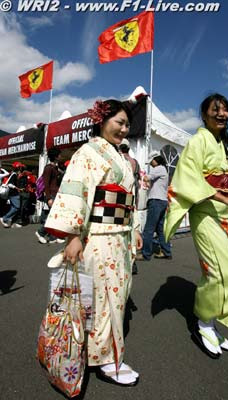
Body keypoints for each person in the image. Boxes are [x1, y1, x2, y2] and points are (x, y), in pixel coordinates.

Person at [45, 99, 143, 386]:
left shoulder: (119, 157)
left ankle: (90, 353)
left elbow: (129, 199)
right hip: (99, 237)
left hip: (120, 236)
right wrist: (74, 235)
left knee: (114, 296)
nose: (124, 129)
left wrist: (133, 227)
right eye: (119, 123)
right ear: (102, 120)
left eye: (127, 124)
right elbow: (77, 190)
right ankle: (109, 360)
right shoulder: (87, 153)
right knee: (103, 299)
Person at [164, 93, 228, 359]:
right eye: (215, 109)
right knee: (219, 272)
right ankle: (203, 324)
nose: (221, 113)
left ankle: (211, 323)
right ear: (203, 115)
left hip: (223, 215)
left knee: (217, 272)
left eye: (225, 109)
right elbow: (190, 181)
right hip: (205, 214)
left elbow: (223, 184)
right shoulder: (198, 141)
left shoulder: (222, 144)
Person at [136, 151, 172, 261]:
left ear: (155, 160)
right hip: (162, 201)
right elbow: (152, 183)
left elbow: (147, 178)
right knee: (160, 228)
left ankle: (145, 254)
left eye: (151, 162)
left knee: (149, 229)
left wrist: (142, 176)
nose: (151, 164)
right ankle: (166, 251)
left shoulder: (158, 168)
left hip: (155, 201)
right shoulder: (163, 170)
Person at [119, 138, 141, 274]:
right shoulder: (135, 162)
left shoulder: (120, 160)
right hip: (134, 196)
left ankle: (124, 260)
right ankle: (132, 261)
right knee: (132, 225)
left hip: (122, 196)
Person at [35, 147, 65, 244]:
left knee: (52, 216)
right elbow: (46, 184)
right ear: (56, 156)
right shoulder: (48, 168)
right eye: (59, 154)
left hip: (55, 194)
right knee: (53, 216)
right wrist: (48, 198)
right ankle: (40, 232)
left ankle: (52, 238)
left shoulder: (55, 168)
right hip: (51, 195)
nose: (61, 156)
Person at [0, 161, 23, 228]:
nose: (21, 168)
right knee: (16, 207)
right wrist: (17, 188)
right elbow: (10, 184)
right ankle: (5, 218)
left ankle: (9, 220)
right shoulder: (14, 174)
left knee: (13, 207)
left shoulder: (13, 174)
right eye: (20, 167)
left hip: (12, 194)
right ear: (18, 168)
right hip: (14, 194)